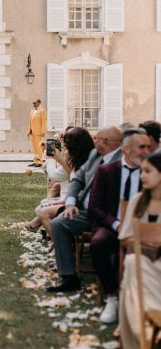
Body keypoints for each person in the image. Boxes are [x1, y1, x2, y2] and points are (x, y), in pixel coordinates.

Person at [47, 126, 122, 293]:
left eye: (95, 138)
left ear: (105, 141)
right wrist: (71, 202)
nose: (92, 140)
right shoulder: (95, 155)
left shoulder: (121, 160)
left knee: (100, 242)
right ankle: (69, 277)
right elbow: (78, 180)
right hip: (85, 211)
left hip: (108, 214)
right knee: (59, 224)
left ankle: (111, 289)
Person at [88, 128, 151, 323]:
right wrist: (116, 224)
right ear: (126, 149)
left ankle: (145, 299)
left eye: (148, 147)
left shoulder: (151, 173)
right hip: (112, 227)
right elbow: (94, 207)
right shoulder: (107, 171)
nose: (146, 151)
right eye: (142, 147)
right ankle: (112, 296)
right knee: (97, 244)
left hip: (144, 229)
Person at [118, 151, 161, 349]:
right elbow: (125, 238)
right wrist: (145, 243)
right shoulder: (137, 201)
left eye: (147, 171)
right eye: (142, 171)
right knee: (134, 263)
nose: (142, 176)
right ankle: (143, 333)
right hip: (141, 258)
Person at [25, 128, 94, 238]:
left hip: (80, 207)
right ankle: (39, 227)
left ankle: (54, 240)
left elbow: (60, 175)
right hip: (73, 201)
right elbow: (69, 171)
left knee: (43, 209)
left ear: (75, 148)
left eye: (66, 148)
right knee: (45, 203)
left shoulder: (84, 164)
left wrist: (51, 158)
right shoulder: (79, 160)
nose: (64, 150)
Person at [27, 99, 47, 168]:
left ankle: (40, 162)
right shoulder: (32, 111)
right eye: (33, 103)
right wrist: (28, 131)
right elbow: (30, 122)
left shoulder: (42, 111)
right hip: (32, 132)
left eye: (35, 103)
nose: (34, 104)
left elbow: (44, 122)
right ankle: (35, 162)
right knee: (35, 148)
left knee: (39, 148)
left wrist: (43, 131)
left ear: (39, 103)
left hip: (38, 132)